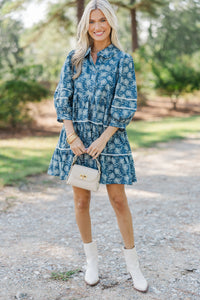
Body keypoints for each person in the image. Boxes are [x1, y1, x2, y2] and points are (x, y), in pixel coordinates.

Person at [48, 0, 148, 293]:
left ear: (111, 23)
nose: (97, 26)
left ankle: (133, 265)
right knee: (81, 202)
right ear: (85, 26)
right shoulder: (74, 58)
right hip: (77, 141)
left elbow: (126, 102)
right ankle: (91, 262)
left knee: (118, 201)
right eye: (92, 21)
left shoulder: (122, 60)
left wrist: (103, 139)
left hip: (111, 139)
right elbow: (62, 96)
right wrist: (72, 136)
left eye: (102, 20)